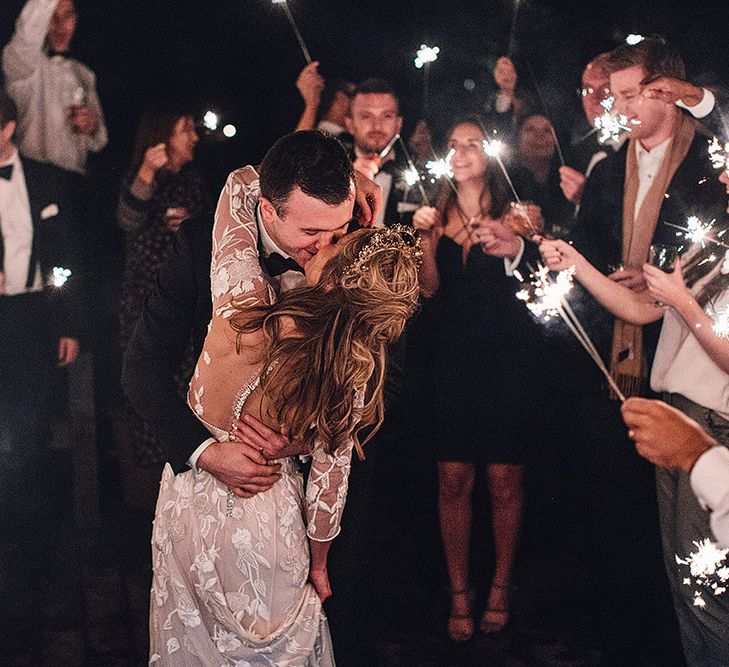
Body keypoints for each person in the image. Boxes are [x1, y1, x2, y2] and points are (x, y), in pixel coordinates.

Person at [122, 131, 386, 665]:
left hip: (312, 496)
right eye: (311, 230)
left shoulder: (348, 238)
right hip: (204, 481)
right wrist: (205, 451)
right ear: (267, 209)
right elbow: (139, 369)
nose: (326, 246)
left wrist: (311, 434)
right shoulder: (203, 246)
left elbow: (372, 374)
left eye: (337, 230)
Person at [541, 230, 729, 665]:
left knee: (709, 588)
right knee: (683, 578)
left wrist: (682, 301)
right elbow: (639, 309)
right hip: (678, 414)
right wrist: (576, 263)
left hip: (715, 430)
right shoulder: (713, 242)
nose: (722, 172)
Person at [412, 118, 541, 641]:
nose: (462, 153)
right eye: (453, 145)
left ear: (490, 153)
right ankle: (459, 589)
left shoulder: (519, 209)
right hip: (451, 359)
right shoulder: (433, 212)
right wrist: (423, 242)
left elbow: (542, 281)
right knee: (453, 480)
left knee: (505, 480)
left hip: (508, 358)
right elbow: (428, 291)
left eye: (472, 144)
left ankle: (502, 585)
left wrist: (518, 244)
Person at [0, 90, 83, 635]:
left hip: (31, 320)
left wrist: (69, 322)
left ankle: (26, 569)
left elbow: (67, 258)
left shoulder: (46, 180)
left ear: (7, 130)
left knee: (25, 443)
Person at [117, 107, 208, 472]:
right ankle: (153, 479)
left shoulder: (195, 182)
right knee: (148, 377)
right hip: (143, 298)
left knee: (187, 379)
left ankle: (192, 461)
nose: (195, 137)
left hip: (188, 296)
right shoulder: (141, 177)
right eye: (186, 129)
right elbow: (127, 219)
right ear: (164, 135)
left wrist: (192, 224)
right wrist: (146, 170)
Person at [2, 0, 107, 175]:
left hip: (74, 180)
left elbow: (100, 140)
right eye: (52, 15)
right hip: (34, 178)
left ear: (76, 18)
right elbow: (27, 34)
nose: (59, 24)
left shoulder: (84, 73)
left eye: (67, 15)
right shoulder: (22, 63)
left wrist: (92, 126)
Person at [621, 397, 729, 549]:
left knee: (701, 563)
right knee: (681, 560)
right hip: (680, 408)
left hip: (715, 416)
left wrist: (695, 452)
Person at [345, 78, 424, 228]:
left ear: (399, 124)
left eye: (386, 116)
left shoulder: (418, 173)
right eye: (366, 116)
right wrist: (348, 182)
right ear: (349, 124)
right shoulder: (332, 170)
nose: (377, 126)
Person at [293, 61, 353, 138]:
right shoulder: (320, 138)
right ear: (340, 97)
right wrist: (311, 104)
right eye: (354, 95)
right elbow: (299, 148)